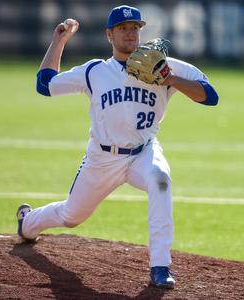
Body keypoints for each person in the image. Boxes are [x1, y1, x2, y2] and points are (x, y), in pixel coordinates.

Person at [17, 5, 218, 289]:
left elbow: (210, 96)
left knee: (160, 181)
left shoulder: (163, 66)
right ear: (109, 35)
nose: (130, 33)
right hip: (102, 158)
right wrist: (59, 40)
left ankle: (160, 266)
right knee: (71, 216)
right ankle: (28, 223)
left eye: (135, 28)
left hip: (143, 153)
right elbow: (44, 85)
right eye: (123, 29)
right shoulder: (95, 71)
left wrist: (170, 79)